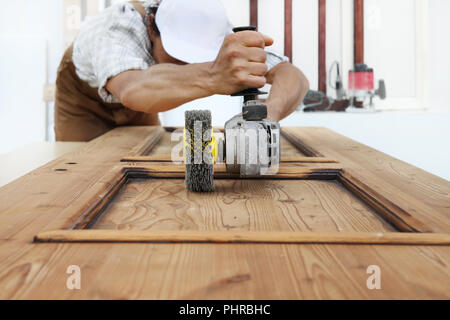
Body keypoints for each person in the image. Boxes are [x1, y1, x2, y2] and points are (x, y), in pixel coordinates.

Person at [54, 0, 309, 141]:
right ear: (152, 28)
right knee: (80, 172)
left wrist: (269, 116)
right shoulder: (117, 26)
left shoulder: (214, 29)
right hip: (85, 103)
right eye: (177, 56)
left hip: (142, 105)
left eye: (196, 58)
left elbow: (291, 75)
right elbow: (132, 89)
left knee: (137, 165)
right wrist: (212, 75)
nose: (184, 68)